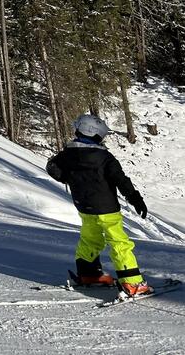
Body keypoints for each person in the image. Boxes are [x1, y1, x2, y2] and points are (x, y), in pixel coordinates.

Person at [46, 114, 151, 296]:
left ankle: (89, 274)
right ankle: (132, 283)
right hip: (106, 208)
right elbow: (121, 180)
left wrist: (68, 177)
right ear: (95, 134)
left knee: (90, 238)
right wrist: (135, 198)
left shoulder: (67, 154)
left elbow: (52, 167)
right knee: (119, 242)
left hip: (83, 205)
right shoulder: (104, 157)